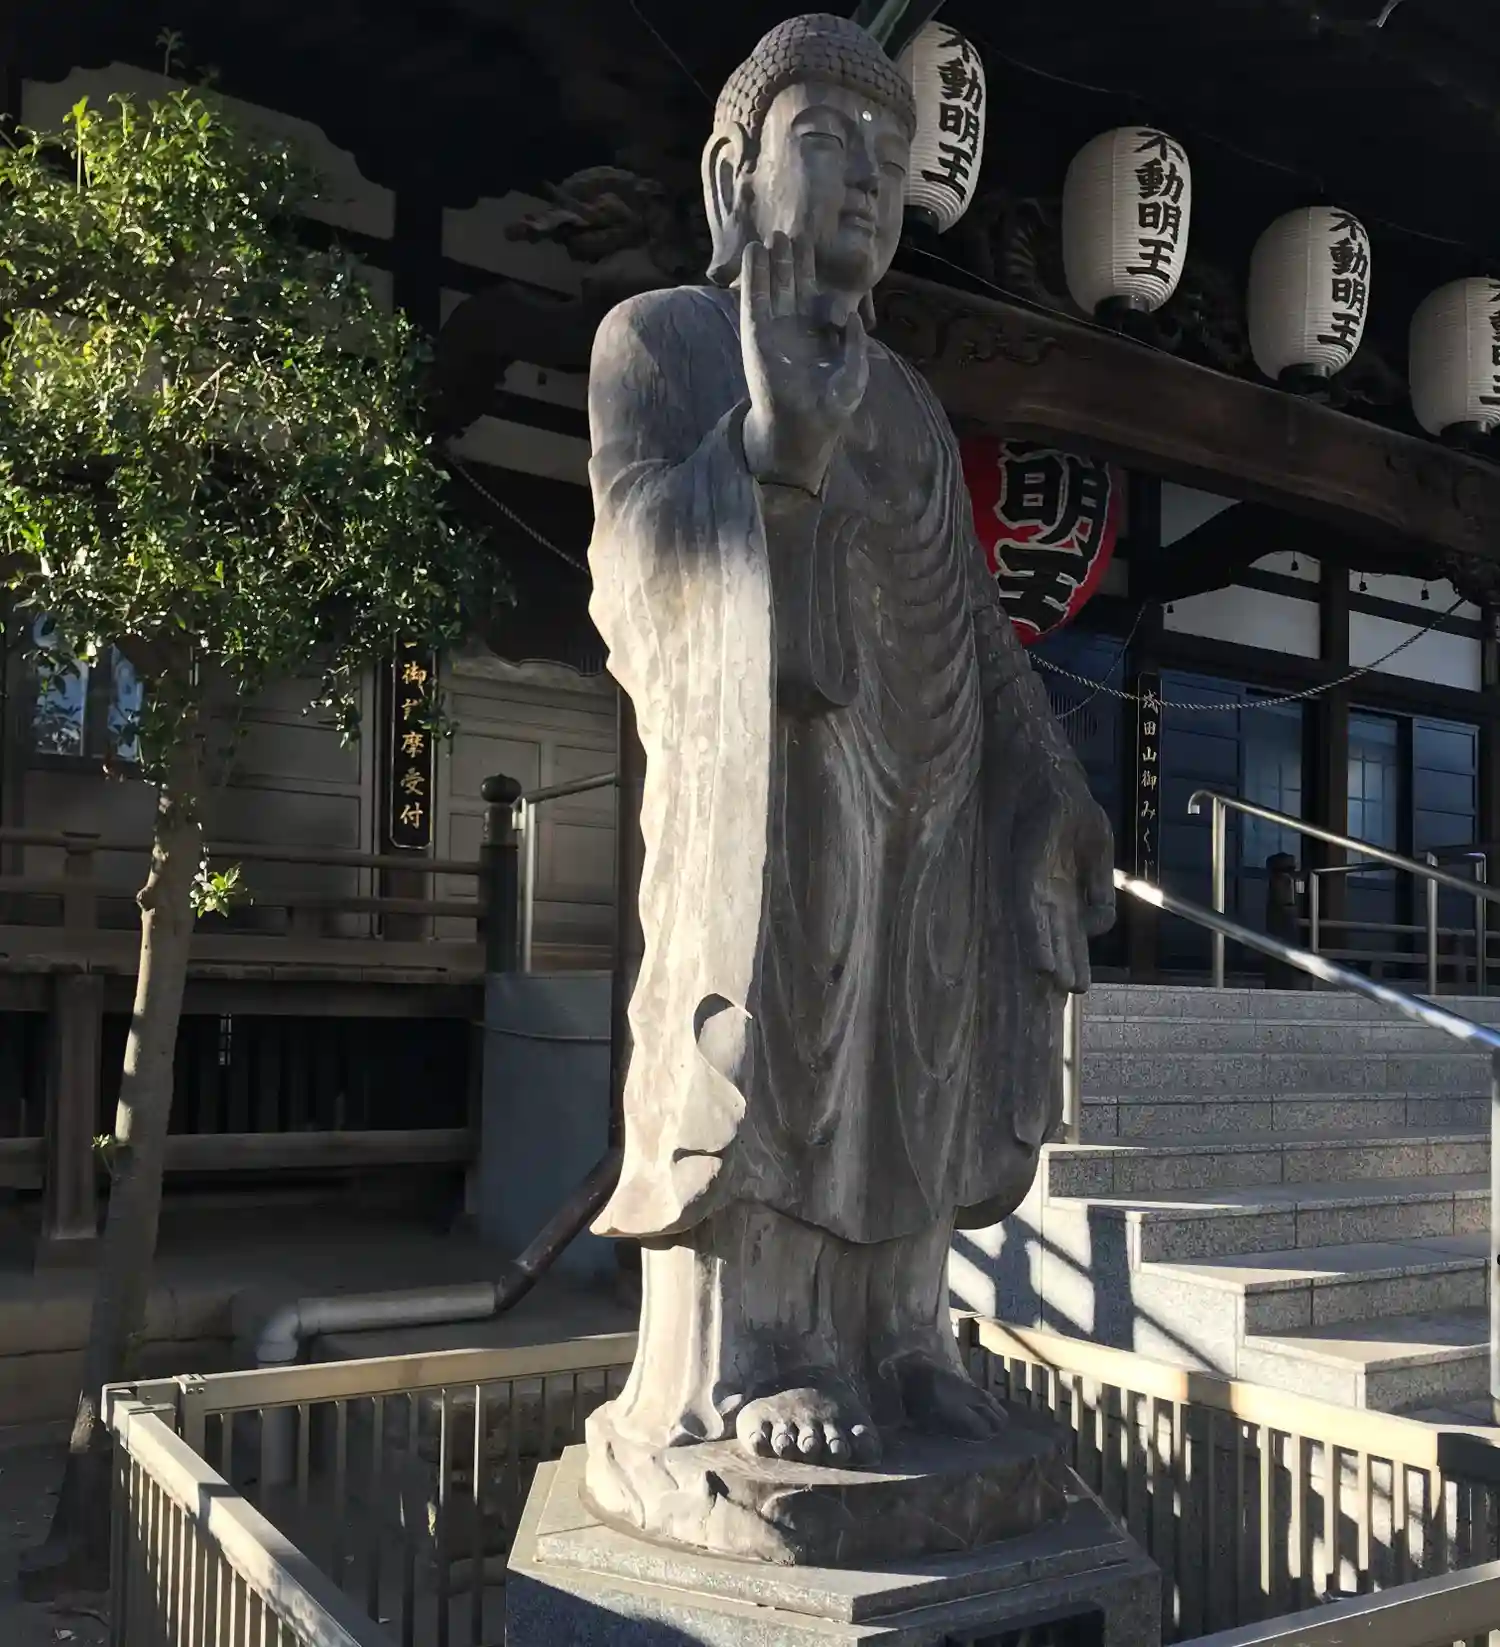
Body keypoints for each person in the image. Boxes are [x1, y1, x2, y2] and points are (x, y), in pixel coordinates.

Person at [583, 13, 1114, 1515]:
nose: (871, 179)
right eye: (827, 141)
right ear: (731, 175)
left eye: (893, 152)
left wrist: (1046, 774)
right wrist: (767, 454)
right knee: (785, 1040)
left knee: (916, 1055)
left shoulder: (914, 403)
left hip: (928, 789)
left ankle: (901, 1337)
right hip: (775, 788)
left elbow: (978, 623)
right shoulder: (660, 341)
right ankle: (757, 1354)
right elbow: (632, 569)